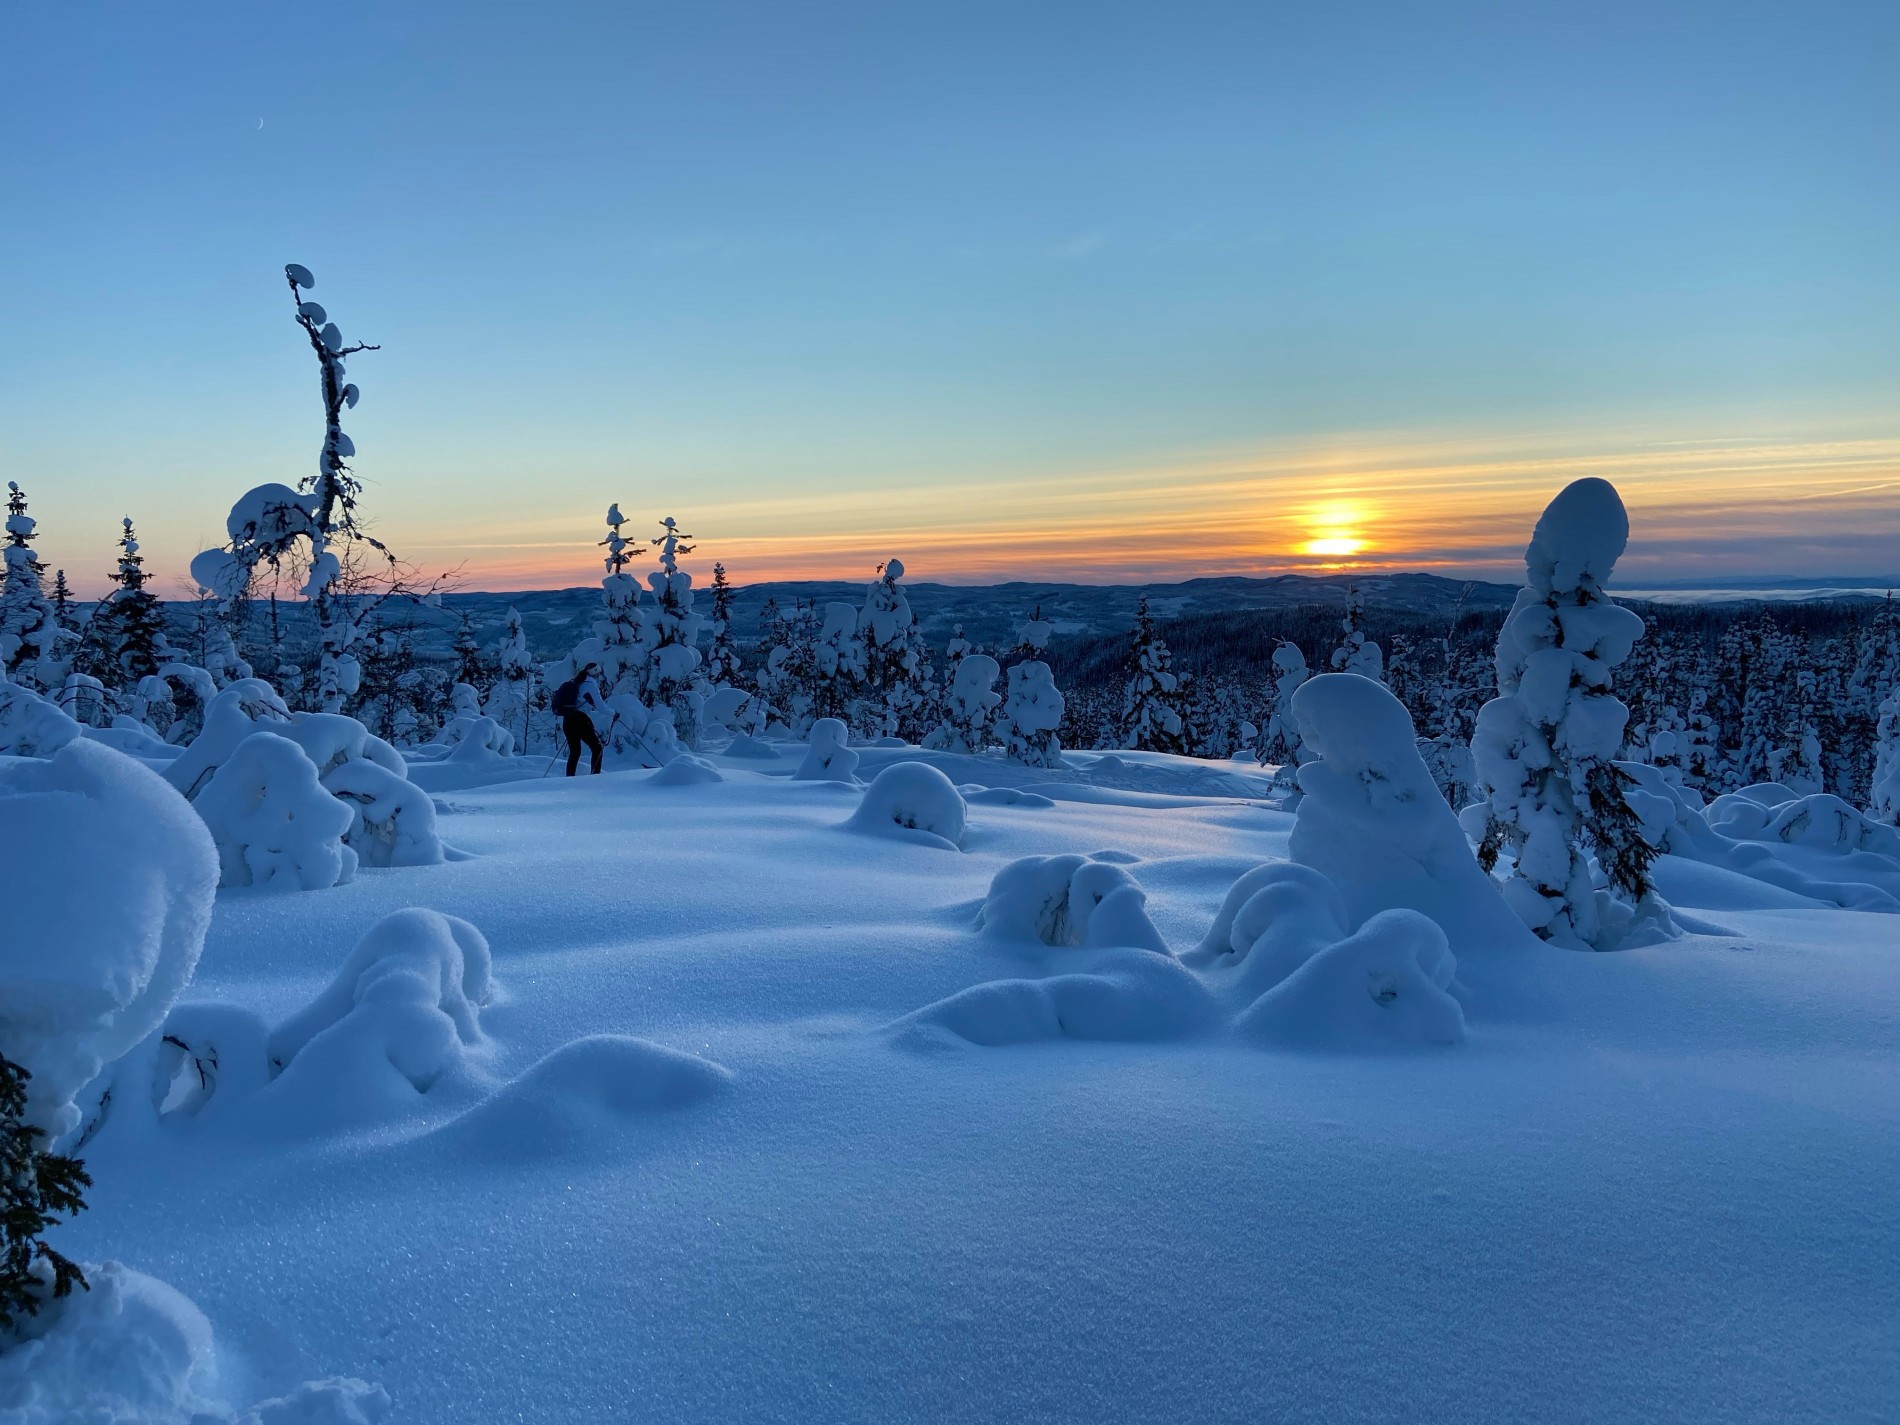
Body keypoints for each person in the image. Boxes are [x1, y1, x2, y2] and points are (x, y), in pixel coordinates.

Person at [551, 662, 607, 776]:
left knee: (575, 752)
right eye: (598, 674)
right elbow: (601, 707)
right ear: (595, 673)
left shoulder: (575, 682)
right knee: (597, 748)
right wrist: (613, 713)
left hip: (568, 719)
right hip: (581, 719)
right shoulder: (590, 684)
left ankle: (570, 778)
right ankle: (595, 777)